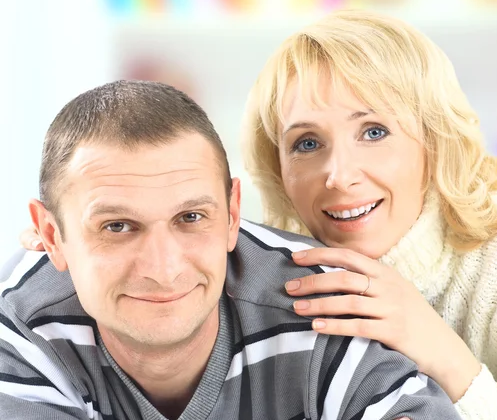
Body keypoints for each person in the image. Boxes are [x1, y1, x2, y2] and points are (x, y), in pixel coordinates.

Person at [0, 80, 458, 420]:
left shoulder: (321, 302)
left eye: (191, 218)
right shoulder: (20, 327)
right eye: (117, 226)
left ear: (232, 214)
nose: (163, 268)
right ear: (52, 236)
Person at [241, 11, 497, 419]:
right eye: (306, 143)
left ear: (434, 138)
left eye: (373, 131)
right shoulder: (279, 278)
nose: (339, 176)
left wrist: (443, 354)